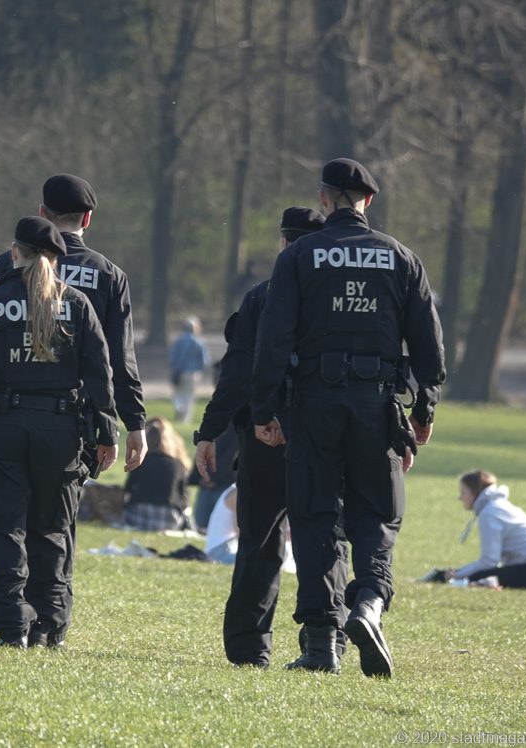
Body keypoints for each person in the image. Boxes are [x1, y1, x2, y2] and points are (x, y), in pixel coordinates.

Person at [251, 158, 446, 678]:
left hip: (312, 405)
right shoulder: (401, 258)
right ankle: (370, 605)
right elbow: (428, 345)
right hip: (376, 404)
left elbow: (273, 338)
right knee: (378, 513)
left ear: (324, 198)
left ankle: (322, 645)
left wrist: (264, 409)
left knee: (315, 516)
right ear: (369, 201)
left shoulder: (300, 257)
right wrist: (424, 407)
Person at [0, 217, 119, 649]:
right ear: (57, 260)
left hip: (6, 425)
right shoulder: (76, 303)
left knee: (4, 526)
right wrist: (107, 431)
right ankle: (49, 627)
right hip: (62, 430)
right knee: (52, 528)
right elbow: (99, 372)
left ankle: (12, 623)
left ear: (15, 252)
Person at [194, 206, 349, 668]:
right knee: (324, 538)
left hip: (264, 438)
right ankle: (327, 640)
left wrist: (210, 430)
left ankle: (249, 648)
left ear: (283, 244)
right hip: (323, 436)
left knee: (259, 541)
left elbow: (237, 372)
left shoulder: (262, 298)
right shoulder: (336, 299)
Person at [0, 173, 147, 472]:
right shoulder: (109, 276)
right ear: (87, 218)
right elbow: (118, 359)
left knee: (8, 510)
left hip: (5, 415)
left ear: (42, 213)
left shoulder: (7, 264)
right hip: (71, 422)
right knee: (56, 515)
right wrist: (134, 422)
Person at [447, 470, 526, 590]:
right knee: (478, 575)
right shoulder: (495, 506)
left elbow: (489, 562)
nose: (460, 497)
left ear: (474, 493)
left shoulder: (489, 513)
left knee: (474, 577)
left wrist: (458, 574)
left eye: (463, 492)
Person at [121, 419, 189, 531]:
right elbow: (183, 497)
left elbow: (128, 489)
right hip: (169, 518)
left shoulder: (141, 462)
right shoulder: (177, 465)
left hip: (139, 514)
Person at [169, 316, 211, 423]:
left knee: (178, 393)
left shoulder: (178, 341)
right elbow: (204, 361)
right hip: (193, 373)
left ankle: (179, 409)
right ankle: (185, 419)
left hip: (179, 372)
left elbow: (172, 357)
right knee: (189, 396)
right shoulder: (200, 342)